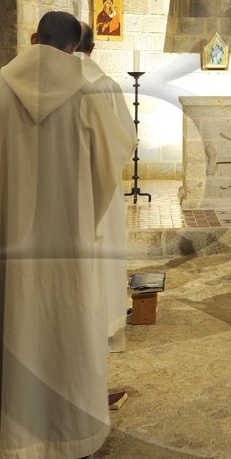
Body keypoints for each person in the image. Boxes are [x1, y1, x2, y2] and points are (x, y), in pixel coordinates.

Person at [0, 10, 134, 459]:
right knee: (64, 325)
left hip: (2, 245)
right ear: (75, 48)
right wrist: (76, 211)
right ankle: (67, 434)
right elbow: (109, 166)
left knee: (4, 318)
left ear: (34, 38)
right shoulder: (91, 93)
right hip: (64, 243)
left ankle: (0, 437)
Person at [74, 22, 138, 348]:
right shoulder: (105, 85)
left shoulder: (45, 83)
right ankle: (106, 321)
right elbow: (127, 139)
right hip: (101, 185)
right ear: (92, 48)